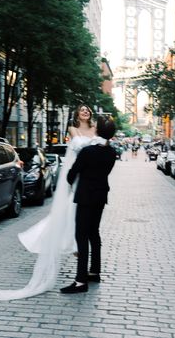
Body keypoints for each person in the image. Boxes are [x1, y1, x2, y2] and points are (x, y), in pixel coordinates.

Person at [0, 104, 107, 301]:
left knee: (86, 230)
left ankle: (85, 272)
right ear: (76, 114)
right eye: (82, 110)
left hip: (86, 181)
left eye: (88, 110)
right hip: (85, 182)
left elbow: (92, 152)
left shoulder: (95, 131)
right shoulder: (74, 130)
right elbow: (84, 152)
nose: (85, 112)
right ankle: (86, 263)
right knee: (87, 228)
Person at [60, 115, 117, 294]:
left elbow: (72, 173)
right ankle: (94, 272)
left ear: (97, 131)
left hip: (85, 196)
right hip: (100, 195)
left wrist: (71, 180)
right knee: (94, 233)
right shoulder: (112, 152)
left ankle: (80, 281)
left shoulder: (87, 152)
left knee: (82, 236)